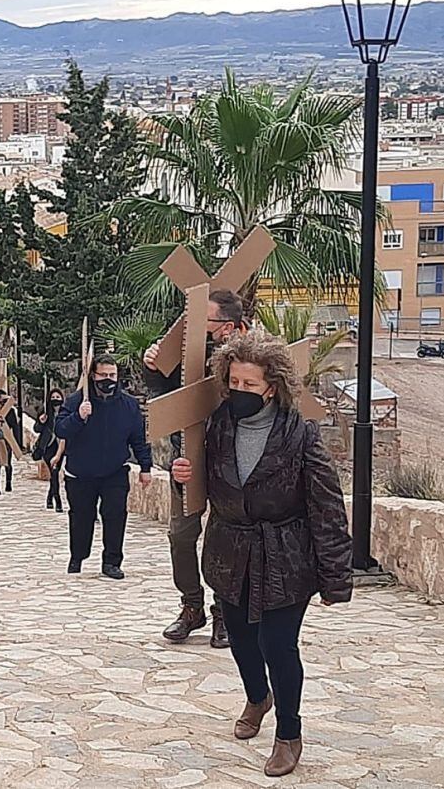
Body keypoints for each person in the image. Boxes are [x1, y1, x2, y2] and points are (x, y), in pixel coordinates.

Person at [171, 331, 352, 778]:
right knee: (242, 642)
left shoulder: (300, 433)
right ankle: (258, 696)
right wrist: (181, 476)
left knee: (278, 644)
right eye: (234, 382)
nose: (240, 391)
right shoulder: (216, 426)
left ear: (272, 386)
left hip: (285, 557)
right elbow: (196, 483)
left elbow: (327, 506)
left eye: (250, 384)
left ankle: (289, 734)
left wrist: (336, 577)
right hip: (229, 551)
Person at [144, 288, 245, 648]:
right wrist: (153, 363)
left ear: (228, 328)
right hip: (185, 463)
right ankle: (191, 606)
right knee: (180, 537)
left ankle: (224, 613)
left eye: (206, 321)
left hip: (232, 468)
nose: (197, 327)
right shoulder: (191, 351)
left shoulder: (251, 360)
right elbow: (166, 393)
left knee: (224, 541)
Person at [55, 354, 152, 579]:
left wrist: (145, 466)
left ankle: (112, 561)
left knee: (115, 514)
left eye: (112, 375)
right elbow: (61, 430)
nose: (108, 379)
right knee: (81, 516)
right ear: (92, 376)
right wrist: (78, 417)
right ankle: (77, 556)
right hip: (80, 473)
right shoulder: (76, 402)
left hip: (114, 471)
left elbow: (139, 438)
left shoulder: (128, 405)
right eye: (103, 375)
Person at [33, 388, 66, 512]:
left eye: (58, 397)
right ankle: (58, 501)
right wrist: (41, 422)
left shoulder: (65, 411)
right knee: (55, 472)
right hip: (48, 447)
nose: (56, 400)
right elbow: (36, 429)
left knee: (55, 473)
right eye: (53, 397)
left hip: (61, 446)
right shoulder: (45, 411)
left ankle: (49, 497)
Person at [0, 389, 20, 495]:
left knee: (8, 463)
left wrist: (16, 443)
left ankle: (8, 483)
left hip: (7, 439)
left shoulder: (11, 411)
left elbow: (15, 427)